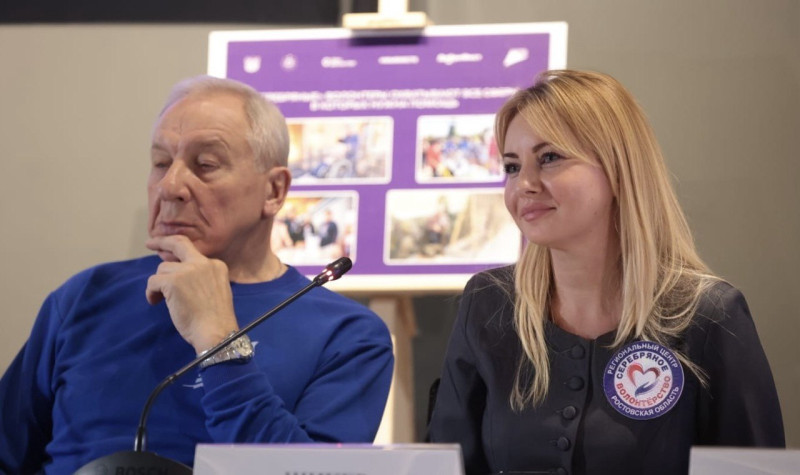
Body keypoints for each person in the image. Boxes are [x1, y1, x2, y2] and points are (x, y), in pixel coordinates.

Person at [0, 76, 394, 474]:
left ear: (274, 191)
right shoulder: (85, 297)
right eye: (160, 163)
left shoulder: (348, 335)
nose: (170, 186)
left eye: (205, 165)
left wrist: (219, 341)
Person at [427, 70, 784, 475]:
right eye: (511, 166)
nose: (524, 183)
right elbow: (446, 464)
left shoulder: (708, 314)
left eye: (549, 158)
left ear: (618, 168)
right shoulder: (488, 303)